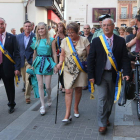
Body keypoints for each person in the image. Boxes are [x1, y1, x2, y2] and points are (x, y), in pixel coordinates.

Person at [87, 18, 131, 134]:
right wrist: (90, 75)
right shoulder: (96, 41)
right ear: (102, 27)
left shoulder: (120, 41)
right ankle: (101, 124)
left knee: (111, 98)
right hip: (100, 75)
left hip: (114, 74)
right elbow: (90, 59)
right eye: (104, 25)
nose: (106, 27)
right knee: (102, 98)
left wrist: (126, 73)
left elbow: (125, 58)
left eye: (108, 25)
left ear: (113, 26)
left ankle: (106, 117)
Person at [57, 22, 90, 123]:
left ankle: (76, 108)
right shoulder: (65, 41)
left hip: (81, 69)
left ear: (77, 32)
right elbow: (62, 54)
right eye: (69, 32)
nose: (70, 35)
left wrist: (89, 66)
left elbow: (89, 55)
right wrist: (60, 63)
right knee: (68, 90)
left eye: (72, 33)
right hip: (68, 69)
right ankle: (67, 114)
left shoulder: (84, 40)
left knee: (78, 89)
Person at [31, 22, 58, 115]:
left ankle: (49, 97)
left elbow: (54, 53)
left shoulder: (51, 40)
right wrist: (33, 65)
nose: (40, 30)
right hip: (38, 62)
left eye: (42, 28)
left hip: (48, 62)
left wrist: (55, 65)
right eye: (39, 29)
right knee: (40, 85)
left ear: (46, 29)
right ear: (37, 31)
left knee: (48, 86)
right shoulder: (35, 40)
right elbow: (34, 54)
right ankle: (42, 105)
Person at [0, 18, 21, 113]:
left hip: (7, 66)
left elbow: (16, 53)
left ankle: (11, 104)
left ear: (5, 25)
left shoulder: (11, 37)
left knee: (9, 87)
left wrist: (17, 67)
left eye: (2, 24)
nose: (0, 25)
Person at [16, 21, 35, 104]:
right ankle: (28, 89)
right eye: (26, 26)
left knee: (28, 78)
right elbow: (16, 50)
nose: (27, 28)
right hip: (21, 60)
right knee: (24, 79)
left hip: (30, 60)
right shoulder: (18, 37)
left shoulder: (34, 36)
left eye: (29, 26)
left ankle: (27, 96)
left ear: (31, 27)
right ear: (23, 27)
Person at [55, 22, 67, 93]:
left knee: (65, 71)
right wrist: (56, 38)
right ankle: (62, 85)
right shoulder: (56, 37)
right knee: (60, 72)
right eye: (58, 26)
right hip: (58, 55)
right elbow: (53, 46)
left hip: (66, 55)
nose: (60, 28)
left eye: (61, 26)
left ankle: (64, 84)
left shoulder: (66, 36)